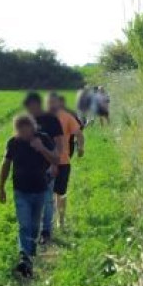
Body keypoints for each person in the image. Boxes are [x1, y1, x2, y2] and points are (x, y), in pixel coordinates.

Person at [0, 114, 59, 277]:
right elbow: (5, 164)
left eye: (26, 130)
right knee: (24, 225)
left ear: (33, 128)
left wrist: (41, 148)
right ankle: (24, 258)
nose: (23, 134)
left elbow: (56, 159)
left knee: (33, 226)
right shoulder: (13, 143)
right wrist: (1, 187)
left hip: (40, 190)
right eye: (20, 131)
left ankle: (30, 253)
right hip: (20, 191)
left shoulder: (44, 139)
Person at [21, 91, 64, 244]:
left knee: (47, 200)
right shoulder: (26, 120)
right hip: (30, 168)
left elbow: (59, 142)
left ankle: (46, 231)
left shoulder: (51, 120)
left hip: (47, 166)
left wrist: (55, 164)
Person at [48, 92, 84, 231]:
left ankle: (60, 221)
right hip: (45, 163)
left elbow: (79, 134)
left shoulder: (67, 116)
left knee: (60, 193)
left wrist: (81, 147)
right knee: (47, 194)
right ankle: (48, 223)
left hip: (63, 161)